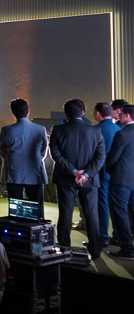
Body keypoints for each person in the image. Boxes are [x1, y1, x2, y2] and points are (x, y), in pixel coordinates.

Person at [49, 99, 106, 259]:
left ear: (66, 114)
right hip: (89, 180)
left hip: (65, 178)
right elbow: (100, 157)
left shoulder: (58, 130)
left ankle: (64, 248)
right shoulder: (95, 131)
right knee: (91, 215)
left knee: (65, 214)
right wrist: (86, 174)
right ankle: (95, 251)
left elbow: (56, 155)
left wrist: (73, 171)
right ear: (83, 112)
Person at [0, 98, 49, 209]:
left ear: (13, 113)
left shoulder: (6, 130)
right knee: (36, 208)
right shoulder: (40, 129)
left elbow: (3, 151)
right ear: (28, 111)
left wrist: (10, 159)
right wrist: (38, 159)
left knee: (16, 209)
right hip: (35, 172)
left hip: (14, 172)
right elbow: (43, 150)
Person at [105, 104, 134, 259]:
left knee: (120, 213)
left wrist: (110, 170)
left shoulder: (122, 134)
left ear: (127, 115)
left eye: (121, 114)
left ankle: (127, 248)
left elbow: (112, 158)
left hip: (121, 179)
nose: (119, 116)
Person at [94, 102, 121, 247]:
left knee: (102, 204)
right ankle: (117, 235)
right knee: (117, 204)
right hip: (116, 172)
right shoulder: (119, 129)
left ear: (98, 113)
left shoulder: (95, 130)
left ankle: (103, 236)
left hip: (101, 170)